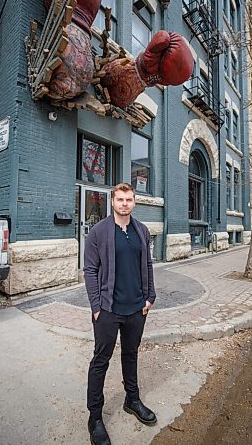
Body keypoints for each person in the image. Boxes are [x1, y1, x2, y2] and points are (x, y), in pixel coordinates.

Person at [84, 182, 157, 445]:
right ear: (112, 202)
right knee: (100, 361)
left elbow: (147, 264)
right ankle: (95, 417)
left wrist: (150, 297)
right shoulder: (99, 232)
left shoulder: (142, 230)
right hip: (108, 310)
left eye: (129, 199)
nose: (124, 203)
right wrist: (96, 307)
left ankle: (132, 400)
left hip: (137, 309)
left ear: (134, 202)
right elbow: (90, 271)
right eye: (120, 200)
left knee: (131, 354)